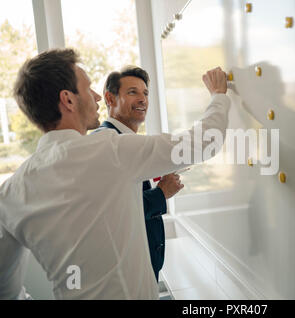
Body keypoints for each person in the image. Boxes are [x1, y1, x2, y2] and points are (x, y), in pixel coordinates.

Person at [0, 48, 230, 299]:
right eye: (89, 89)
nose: (97, 96)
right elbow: (204, 142)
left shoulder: (11, 191)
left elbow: (5, 290)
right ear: (68, 100)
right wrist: (218, 95)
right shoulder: (110, 150)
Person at [92, 66, 183, 282]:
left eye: (146, 93)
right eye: (133, 92)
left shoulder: (126, 142)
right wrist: (161, 193)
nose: (143, 99)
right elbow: (111, 209)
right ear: (110, 98)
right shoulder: (106, 141)